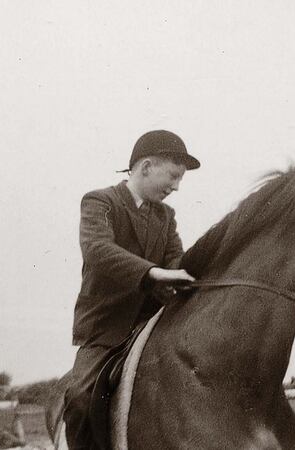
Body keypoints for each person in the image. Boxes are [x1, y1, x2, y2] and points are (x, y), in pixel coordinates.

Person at [63, 130, 200, 449]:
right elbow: (97, 249)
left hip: (154, 324)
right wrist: (153, 273)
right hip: (104, 330)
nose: (176, 187)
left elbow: (176, 259)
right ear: (147, 166)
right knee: (80, 399)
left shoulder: (166, 216)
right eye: (174, 176)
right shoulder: (99, 201)